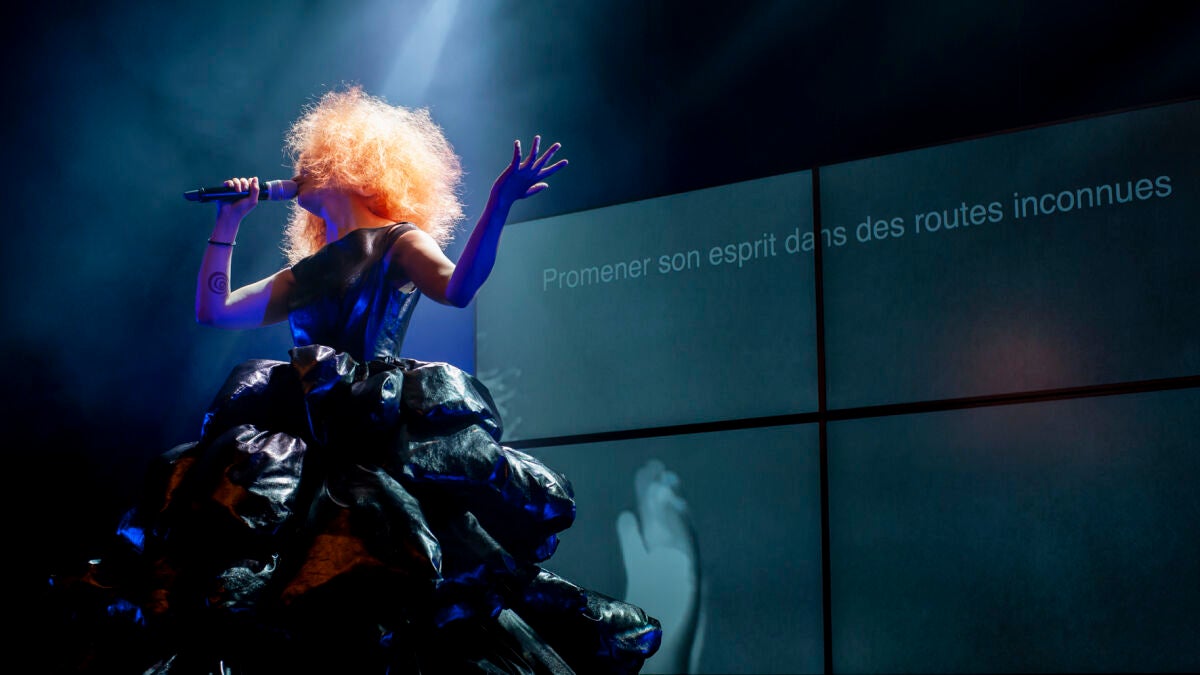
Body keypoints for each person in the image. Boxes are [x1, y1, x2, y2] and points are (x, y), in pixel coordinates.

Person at [47, 85, 661, 674]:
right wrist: (228, 221)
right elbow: (215, 311)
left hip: (375, 425)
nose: (300, 173)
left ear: (355, 166)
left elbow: (458, 287)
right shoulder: (305, 272)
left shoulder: (398, 240)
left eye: (315, 162)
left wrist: (498, 205)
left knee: (394, 573)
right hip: (300, 433)